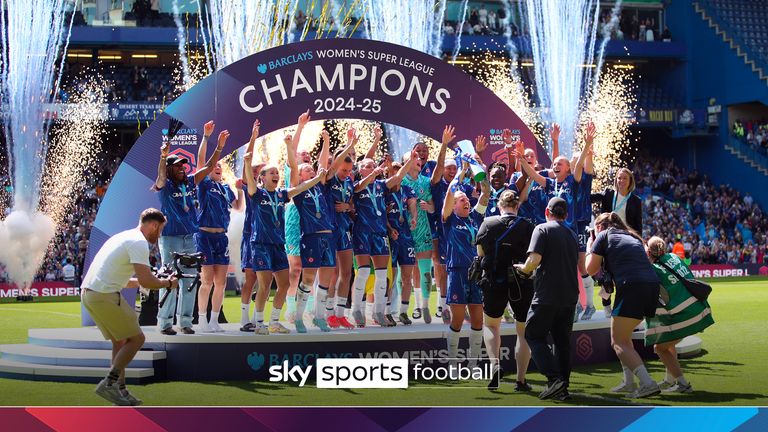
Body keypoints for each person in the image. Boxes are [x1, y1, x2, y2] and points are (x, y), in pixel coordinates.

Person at [81, 208, 178, 406]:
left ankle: (120, 390)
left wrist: (154, 279)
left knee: (121, 340)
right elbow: (146, 281)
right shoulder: (139, 242)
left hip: (91, 293)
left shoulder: (123, 237)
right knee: (137, 339)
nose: (159, 235)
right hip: (104, 295)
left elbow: (128, 281)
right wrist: (168, 283)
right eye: (159, 230)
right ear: (153, 225)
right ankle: (109, 382)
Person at [242, 120, 329, 335]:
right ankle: (259, 323)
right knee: (265, 284)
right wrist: (249, 151)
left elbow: (299, 186)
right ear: (261, 178)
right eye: (270, 172)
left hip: (278, 244)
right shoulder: (257, 193)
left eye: (276, 173)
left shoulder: (281, 194)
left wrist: (317, 179)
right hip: (260, 244)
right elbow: (249, 174)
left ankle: (273, 321)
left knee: (282, 284)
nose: (275, 174)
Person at [153, 120, 221, 335]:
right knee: (170, 280)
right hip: (171, 238)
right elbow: (161, 177)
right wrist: (163, 157)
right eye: (178, 166)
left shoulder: (190, 182)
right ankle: (164, 323)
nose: (182, 169)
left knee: (190, 280)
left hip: (189, 238)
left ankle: (185, 322)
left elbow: (209, 167)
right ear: (170, 169)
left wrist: (215, 143)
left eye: (183, 166)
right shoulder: (165, 187)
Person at [586, 212, 660, 398]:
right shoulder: (631, 236)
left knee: (617, 342)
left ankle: (647, 383)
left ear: (600, 227)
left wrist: (589, 247)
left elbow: (589, 269)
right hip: (651, 285)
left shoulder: (603, 235)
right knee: (625, 339)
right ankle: (629, 382)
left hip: (631, 287)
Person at [514, 197, 579, 400]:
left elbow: (534, 260)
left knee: (533, 335)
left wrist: (523, 269)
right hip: (569, 295)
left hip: (547, 294)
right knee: (562, 342)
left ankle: (554, 380)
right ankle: (563, 386)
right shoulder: (572, 233)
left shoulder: (542, 229)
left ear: (546, 212)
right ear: (566, 215)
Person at [475, 190, 535, 391]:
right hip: (521, 281)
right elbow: (534, 257)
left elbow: (480, 254)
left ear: (499, 206)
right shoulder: (528, 226)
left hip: (494, 280)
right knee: (523, 331)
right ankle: (521, 380)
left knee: (491, 326)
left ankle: (495, 366)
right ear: (517, 206)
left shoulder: (488, 223)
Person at [350, 150, 417, 327]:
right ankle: (357, 310)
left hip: (380, 233)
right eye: (367, 166)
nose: (372, 167)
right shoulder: (357, 185)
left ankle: (378, 312)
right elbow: (358, 188)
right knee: (363, 272)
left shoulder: (381, 185)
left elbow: (398, 176)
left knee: (382, 276)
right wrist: (374, 173)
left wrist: (410, 161)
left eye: (373, 165)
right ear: (360, 170)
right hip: (362, 233)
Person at [645, 236, 714, 393]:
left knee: (659, 348)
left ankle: (683, 384)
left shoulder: (654, 269)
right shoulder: (674, 257)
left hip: (686, 316)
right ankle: (670, 380)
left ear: (649, 252)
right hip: (699, 307)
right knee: (668, 343)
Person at [441, 157, 490, 366]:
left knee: (478, 321)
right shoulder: (449, 219)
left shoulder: (475, 218)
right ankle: (452, 364)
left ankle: (473, 364)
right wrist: (462, 170)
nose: (466, 201)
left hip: (476, 273)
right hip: (457, 272)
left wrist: (479, 168)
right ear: (453, 205)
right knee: (458, 320)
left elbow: (486, 193)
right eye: (461, 200)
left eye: (467, 199)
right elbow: (450, 194)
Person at [195, 130, 245, 333]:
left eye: (219, 166)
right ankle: (202, 319)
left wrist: (240, 189)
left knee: (221, 282)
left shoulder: (226, 188)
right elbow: (201, 162)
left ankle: (214, 320)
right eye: (214, 166)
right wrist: (206, 138)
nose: (217, 167)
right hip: (204, 236)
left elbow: (238, 207)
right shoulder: (204, 185)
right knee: (206, 281)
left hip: (221, 238)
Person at [325, 127, 365, 329]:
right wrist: (350, 144)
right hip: (330, 229)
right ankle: (328, 313)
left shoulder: (349, 182)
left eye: (349, 171)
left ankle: (340, 313)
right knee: (332, 273)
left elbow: (351, 204)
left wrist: (348, 206)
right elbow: (333, 168)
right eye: (344, 170)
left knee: (347, 272)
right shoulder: (330, 177)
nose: (347, 174)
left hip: (344, 229)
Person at [590, 167, 643, 315]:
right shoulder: (609, 193)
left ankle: (622, 306)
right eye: (619, 178)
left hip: (626, 241)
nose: (621, 181)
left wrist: (639, 242)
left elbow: (638, 225)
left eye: (624, 178)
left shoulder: (635, 200)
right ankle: (606, 307)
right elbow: (590, 197)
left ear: (630, 181)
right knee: (606, 274)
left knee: (624, 275)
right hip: (607, 238)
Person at [385, 161, 419, 325]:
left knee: (407, 276)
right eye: (394, 171)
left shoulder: (407, 189)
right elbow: (380, 214)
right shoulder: (383, 191)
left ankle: (404, 312)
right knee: (390, 277)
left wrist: (413, 218)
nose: (397, 175)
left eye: (400, 171)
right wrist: (390, 229)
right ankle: (387, 311)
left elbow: (412, 206)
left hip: (405, 236)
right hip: (391, 237)